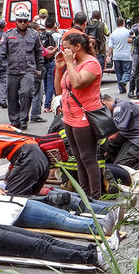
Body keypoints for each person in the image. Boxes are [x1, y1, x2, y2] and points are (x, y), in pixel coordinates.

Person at [0, 190, 123, 236]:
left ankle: (102, 222)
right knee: (59, 219)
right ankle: (98, 228)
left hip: (18, 203)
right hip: (13, 213)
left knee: (61, 214)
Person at [54, 33, 103, 199]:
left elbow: (77, 83)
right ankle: (84, 194)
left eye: (67, 48)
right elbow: (61, 90)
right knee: (78, 159)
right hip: (69, 116)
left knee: (88, 159)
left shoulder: (91, 63)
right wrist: (59, 68)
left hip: (85, 117)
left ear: (78, 47)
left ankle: (95, 196)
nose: (64, 51)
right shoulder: (73, 63)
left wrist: (68, 63)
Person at [0, 8, 44, 130]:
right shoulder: (8, 35)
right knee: (12, 96)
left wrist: (39, 68)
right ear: (16, 21)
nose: (22, 23)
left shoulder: (34, 35)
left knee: (26, 93)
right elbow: (0, 52)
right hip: (12, 70)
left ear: (28, 21)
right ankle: (15, 120)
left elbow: (38, 53)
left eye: (25, 21)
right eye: (20, 21)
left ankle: (23, 118)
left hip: (28, 70)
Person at [101, 95, 139, 168]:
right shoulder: (117, 108)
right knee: (110, 147)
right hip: (137, 138)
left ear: (103, 103)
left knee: (122, 166)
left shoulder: (120, 107)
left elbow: (112, 136)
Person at [106, 17, 132, 94]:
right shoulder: (128, 32)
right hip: (126, 55)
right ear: (123, 23)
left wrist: (108, 56)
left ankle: (121, 89)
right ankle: (123, 81)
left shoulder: (113, 34)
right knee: (127, 71)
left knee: (119, 73)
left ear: (116, 24)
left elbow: (111, 46)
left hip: (116, 56)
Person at [43, 18, 61, 113]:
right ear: (54, 24)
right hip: (52, 61)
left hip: (42, 61)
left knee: (45, 83)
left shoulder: (41, 35)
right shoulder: (57, 35)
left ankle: (46, 102)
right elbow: (60, 48)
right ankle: (48, 105)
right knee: (51, 83)